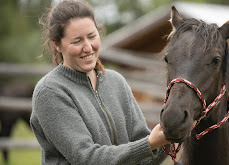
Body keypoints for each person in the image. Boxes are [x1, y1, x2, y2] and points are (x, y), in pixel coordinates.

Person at [30, 1, 170, 164]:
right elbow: (87, 158)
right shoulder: (50, 91)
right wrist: (150, 143)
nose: (88, 47)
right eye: (77, 41)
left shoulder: (116, 82)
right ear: (57, 44)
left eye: (92, 36)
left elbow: (144, 158)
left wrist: (172, 135)